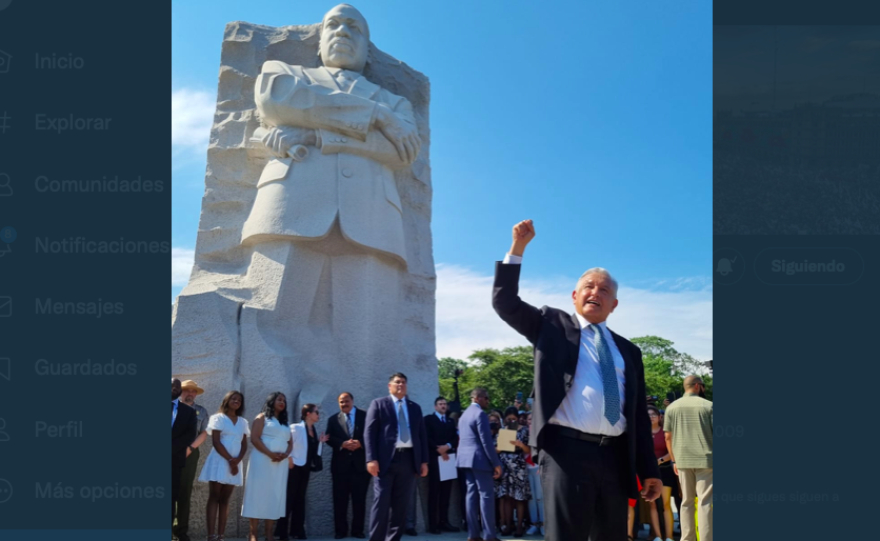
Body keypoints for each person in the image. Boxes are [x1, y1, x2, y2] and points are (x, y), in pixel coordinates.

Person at [492, 220, 661, 540]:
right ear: (574, 295)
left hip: (614, 457)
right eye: (589, 286)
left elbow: (637, 415)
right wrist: (517, 249)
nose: (596, 292)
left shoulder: (629, 351)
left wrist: (648, 470)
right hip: (565, 454)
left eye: (605, 289)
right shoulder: (551, 325)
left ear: (614, 304)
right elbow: (505, 302)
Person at [365, 373, 429, 541]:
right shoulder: (378, 404)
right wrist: (371, 458)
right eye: (397, 382)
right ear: (389, 386)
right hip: (385, 462)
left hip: (408, 461)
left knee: (401, 507)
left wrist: (423, 461)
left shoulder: (415, 407)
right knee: (381, 504)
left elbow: (422, 436)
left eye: (404, 382)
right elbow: (369, 433)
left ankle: (393, 539)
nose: (401, 385)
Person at [664, 375, 713, 541]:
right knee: (705, 502)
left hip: (682, 460)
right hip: (706, 459)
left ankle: (687, 538)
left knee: (686, 501)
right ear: (698, 386)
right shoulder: (709, 406)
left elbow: (668, 437)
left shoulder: (671, 408)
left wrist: (674, 460)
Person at [198, 390, 249, 541]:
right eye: (233, 398)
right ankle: (211, 535)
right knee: (214, 496)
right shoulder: (218, 418)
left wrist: (237, 461)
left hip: (235, 463)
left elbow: (244, 445)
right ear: (226, 400)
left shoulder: (243, 422)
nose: (236, 401)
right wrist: (230, 460)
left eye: (239, 400)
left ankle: (221, 536)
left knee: (225, 499)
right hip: (220, 461)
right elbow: (216, 441)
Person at [242, 392, 293, 541]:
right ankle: (253, 534)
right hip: (262, 461)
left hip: (280, 464)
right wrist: (270, 454)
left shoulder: (285, 423)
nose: (282, 402)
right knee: (257, 495)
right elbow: (255, 439)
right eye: (279, 399)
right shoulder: (262, 417)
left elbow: (290, 443)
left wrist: (286, 454)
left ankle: (269, 534)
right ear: (271, 401)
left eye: (284, 400)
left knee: (274, 496)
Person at [277, 404, 330, 540]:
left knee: (300, 500)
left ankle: (297, 530)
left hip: (305, 468)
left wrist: (320, 443)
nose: (318, 415)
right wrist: (289, 459)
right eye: (316, 412)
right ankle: (281, 532)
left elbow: (310, 450)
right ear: (308, 414)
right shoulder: (296, 427)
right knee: (289, 500)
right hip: (294, 468)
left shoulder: (313, 430)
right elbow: (284, 442)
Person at [457, 388, 503, 541]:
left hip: (465, 460)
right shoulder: (480, 414)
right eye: (486, 398)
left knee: (471, 496)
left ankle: (473, 534)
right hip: (480, 460)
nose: (488, 401)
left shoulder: (464, 415)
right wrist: (496, 463)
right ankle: (490, 535)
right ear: (477, 398)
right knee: (486, 496)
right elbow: (486, 442)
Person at [326, 392, 370, 539]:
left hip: (360, 467)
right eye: (341, 402)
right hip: (340, 467)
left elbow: (373, 435)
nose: (344, 404)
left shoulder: (365, 416)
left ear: (352, 400)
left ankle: (358, 531)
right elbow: (329, 438)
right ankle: (340, 531)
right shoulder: (333, 419)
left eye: (346, 401)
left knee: (359, 500)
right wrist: (342, 444)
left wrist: (361, 444)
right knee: (340, 500)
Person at [175, 380, 210, 541]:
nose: (190, 393)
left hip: (190, 453)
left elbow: (203, 433)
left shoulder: (201, 411)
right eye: (186, 390)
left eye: (193, 391)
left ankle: (181, 531)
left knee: (184, 491)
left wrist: (190, 448)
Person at [424, 396, 459, 534]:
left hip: (448, 459)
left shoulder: (450, 421)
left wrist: (447, 446)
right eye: (440, 404)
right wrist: (438, 449)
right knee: (434, 493)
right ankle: (433, 525)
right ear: (435, 406)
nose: (443, 406)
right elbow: (426, 437)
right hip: (434, 460)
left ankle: (444, 521)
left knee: (446, 493)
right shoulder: (428, 419)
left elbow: (455, 438)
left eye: (444, 404)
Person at [495, 407, 531, 537]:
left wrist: (520, 445)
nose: (511, 421)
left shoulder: (525, 431)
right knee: (507, 497)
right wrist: (500, 447)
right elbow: (495, 451)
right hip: (505, 466)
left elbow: (529, 451)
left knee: (520, 498)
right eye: (509, 419)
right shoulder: (501, 431)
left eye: (514, 419)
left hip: (519, 467)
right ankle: (508, 525)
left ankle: (520, 526)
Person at [172, 378, 197, 528]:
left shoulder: (189, 412)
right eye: (171, 385)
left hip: (175, 460)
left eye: (177, 386)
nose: (173, 388)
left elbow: (190, 435)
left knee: (171, 499)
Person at [649, 405, 676, 541]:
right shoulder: (643, 432)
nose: (651, 417)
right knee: (652, 504)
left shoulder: (665, 431)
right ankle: (658, 536)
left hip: (665, 470)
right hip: (649, 471)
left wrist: (660, 460)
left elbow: (672, 450)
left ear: (659, 417)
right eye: (648, 415)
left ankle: (669, 537)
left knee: (665, 504)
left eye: (653, 414)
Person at [524, 413, 544, 537]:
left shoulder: (540, 431)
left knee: (540, 498)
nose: (531, 421)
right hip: (526, 468)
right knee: (531, 499)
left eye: (533, 418)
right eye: (529, 419)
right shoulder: (523, 433)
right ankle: (534, 523)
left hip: (537, 467)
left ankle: (543, 523)